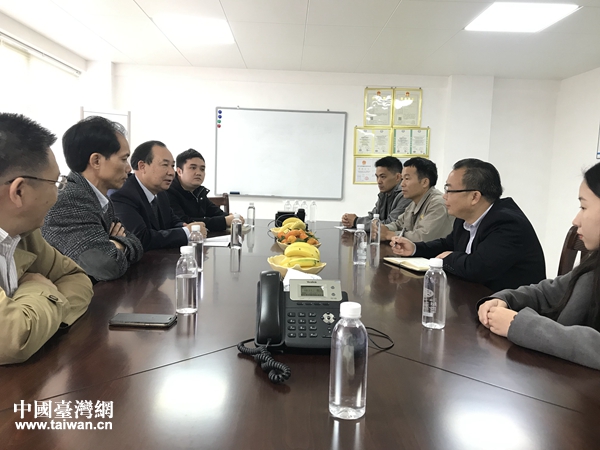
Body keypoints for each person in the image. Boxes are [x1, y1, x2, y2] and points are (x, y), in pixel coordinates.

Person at [478, 162, 600, 370]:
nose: (576, 220)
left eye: (583, 207)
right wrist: (504, 299)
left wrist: (520, 325)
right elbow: (548, 292)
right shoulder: (593, 265)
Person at [0, 113, 93, 365]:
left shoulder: (24, 234)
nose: (58, 193)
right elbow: (13, 338)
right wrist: (39, 288)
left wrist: (41, 322)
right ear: (19, 191)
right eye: (55, 182)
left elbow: (76, 278)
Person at [389, 158, 545, 292]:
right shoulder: (464, 218)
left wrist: (449, 258)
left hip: (511, 309)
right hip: (474, 299)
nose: (444, 196)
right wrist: (415, 248)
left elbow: (477, 267)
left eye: (449, 190)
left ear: (474, 196)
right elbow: (447, 244)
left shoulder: (507, 223)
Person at [42, 117, 143, 282]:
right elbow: (107, 266)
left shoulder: (98, 197)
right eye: (124, 159)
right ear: (96, 161)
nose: (129, 168)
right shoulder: (71, 200)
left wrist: (115, 243)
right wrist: (118, 243)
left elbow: (137, 243)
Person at [109, 141, 207, 251]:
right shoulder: (122, 195)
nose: (171, 172)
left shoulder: (161, 192)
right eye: (165, 165)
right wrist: (187, 232)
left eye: (172, 166)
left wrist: (187, 227)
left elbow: (172, 221)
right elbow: (139, 239)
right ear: (142, 166)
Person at [166, 149, 242, 231]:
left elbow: (216, 213)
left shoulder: (198, 192)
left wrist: (233, 218)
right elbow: (184, 222)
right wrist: (225, 221)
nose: (198, 173)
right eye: (193, 168)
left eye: (202, 169)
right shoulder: (168, 191)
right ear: (179, 171)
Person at [380, 157, 454, 242]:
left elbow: (422, 237)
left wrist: (390, 234)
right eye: (402, 179)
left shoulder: (438, 203)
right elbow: (398, 224)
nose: (402, 184)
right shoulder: (414, 203)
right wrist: (383, 229)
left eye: (407, 179)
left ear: (424, 182)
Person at [341, 156, 410, 231]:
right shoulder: (384, 194)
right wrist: (350, 220)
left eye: (383, 177)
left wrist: (356, 221)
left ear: (397, 177)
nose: (379, 181)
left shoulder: (405, 194)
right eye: (377, 177)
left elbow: (390, 224)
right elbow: (373, 217)